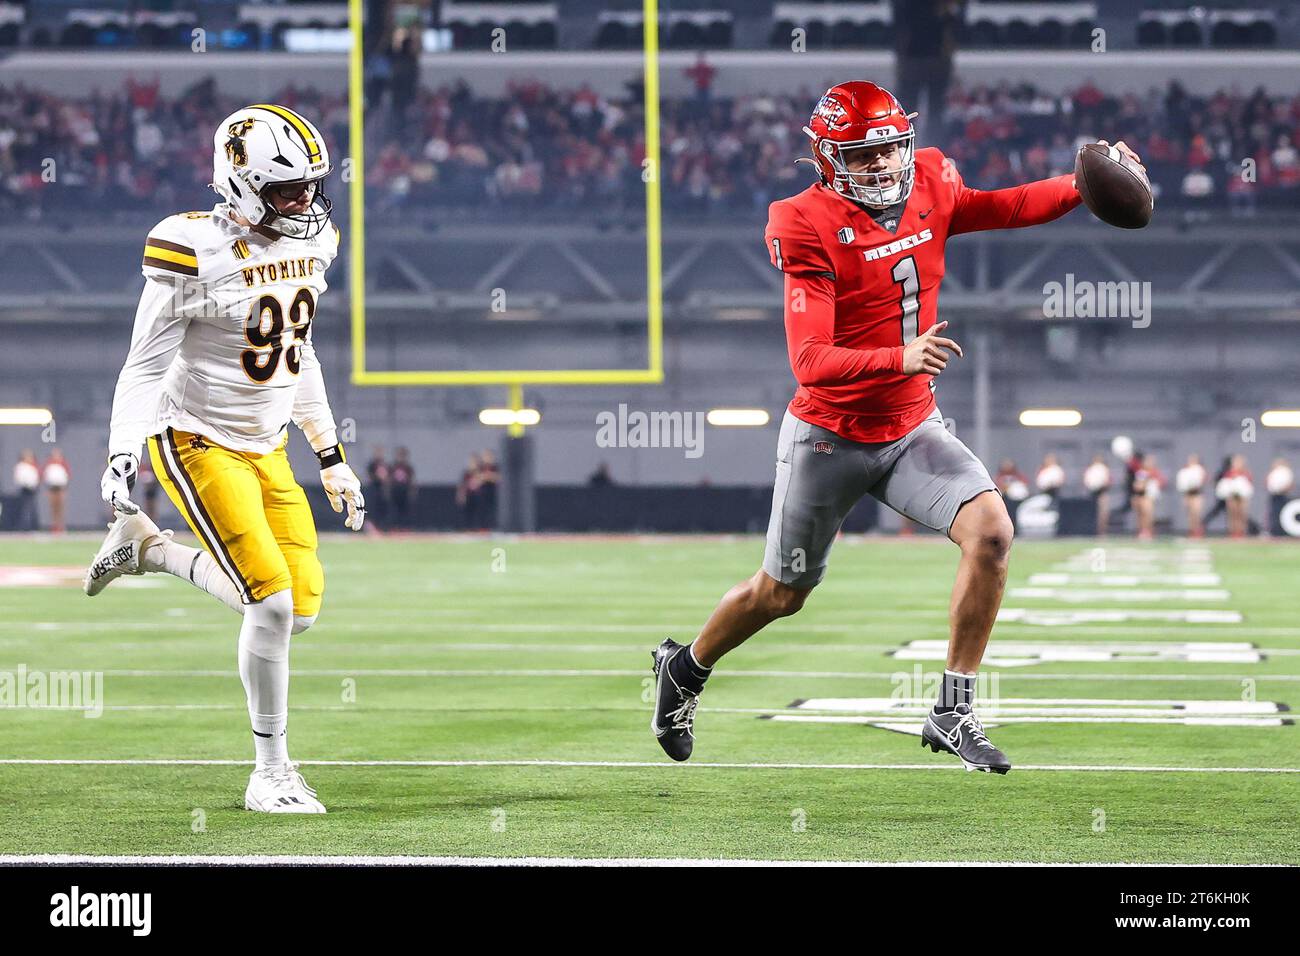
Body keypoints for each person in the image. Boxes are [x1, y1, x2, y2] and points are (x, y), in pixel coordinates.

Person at [649, 81, 1140, 775]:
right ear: (826, 157)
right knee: (781, 595)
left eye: (888, 147)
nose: (881, 165)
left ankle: (953, 708)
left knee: (993, 532)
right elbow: (810, 361)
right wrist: (899, 356)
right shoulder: (802, 220)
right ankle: (687, 669)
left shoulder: (933, 179)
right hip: (829, 437)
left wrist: (1086, 182)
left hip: (911, 426)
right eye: (862, 153)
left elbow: (1002, 207)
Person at [83, 104, 364, 813]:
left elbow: (296, 354)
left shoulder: (318, 240)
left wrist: (329, 452)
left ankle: (150, 553)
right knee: (267, 603)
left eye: (310, 186)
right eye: (287, 189)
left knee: (296, 610)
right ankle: (270, 772)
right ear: (238, 181)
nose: (305, 202)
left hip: (266, 444)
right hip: (197, 438)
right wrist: (122, 454)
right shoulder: (190, 250)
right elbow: (143, 367)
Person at [1219, 454, 1254, 539]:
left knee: (1242, 515)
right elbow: (1224, 485)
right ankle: (1233, 532)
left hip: (1242, 497)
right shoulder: (1228, 473)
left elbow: (1249, 486)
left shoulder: (1245, 473)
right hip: (1232, 497)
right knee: (1232, 514)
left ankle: (1241, 532)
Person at [1132, 453, 1164, 540]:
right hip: (1141, 496)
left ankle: (1149, 531)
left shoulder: (1155, 472)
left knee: (1149, 515)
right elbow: (1137, 486)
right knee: (1141, 515)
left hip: (1150, 496)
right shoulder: (1141, 472)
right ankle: (1142, 531)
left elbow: (1161, 483)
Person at [1175, 453, 1207, 538]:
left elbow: (1202, 481)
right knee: (1189, 514)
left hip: (1196, 494)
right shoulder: (1184, 471)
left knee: (1196, 513)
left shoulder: (1200, 470)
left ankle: (1197, 530)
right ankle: (1191, 531)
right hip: (1187, 494)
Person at [1082, 454, 1112, 536]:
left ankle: (1102, 532)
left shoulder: (1104, 469)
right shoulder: (1090, 470)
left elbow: (1108, 482)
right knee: (1092, 513)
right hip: (1092, 493)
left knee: (1103, 513)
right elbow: (1086, 481)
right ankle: (1092, 530)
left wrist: (1101, 484)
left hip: (1102, 493)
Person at [42, 448, 70, 534]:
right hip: (52, 489)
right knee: (53, 509)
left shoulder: (63, 464)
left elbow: (67, 476)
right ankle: (54, 527)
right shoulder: (49, 464)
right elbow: (45, 476)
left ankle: (61, 526)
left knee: (61, 509)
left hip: (60, 489)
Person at [12, 450, 40, 531]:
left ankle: (32, 526)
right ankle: (25, 527)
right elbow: (20, 479)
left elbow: (36, 478)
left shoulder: (32, 466)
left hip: (32, 490)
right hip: (25, 489)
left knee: (32, 508)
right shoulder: (20, 466)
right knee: (25, 508)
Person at [1266, 458, 1294, 536]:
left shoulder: (1286, 472)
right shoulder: (1273, 473)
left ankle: (1281, 530)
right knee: (1273, 513)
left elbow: (1290, 485)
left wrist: (1283, 489)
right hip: (1274, 495)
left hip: (1283, 496)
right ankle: (1274, 530)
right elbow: (1268, 483)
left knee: (1282, 513)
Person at [389, 446, 415, 528]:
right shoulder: (393, 467)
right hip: (395, 491)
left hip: (405, 492)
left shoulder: (408, 467)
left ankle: (404, 527)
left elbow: (411, 480)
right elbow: (389, 479)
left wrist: (412, 491)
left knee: (405, 511)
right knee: (394, 511)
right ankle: (394, 527)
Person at [366, 447, 391, 529]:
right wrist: (378, 477)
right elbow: (370, 477)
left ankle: (382, 526)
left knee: (383, 508)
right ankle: (372, 526)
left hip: (382, 490)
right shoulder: (372, 465)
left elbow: (388, 477)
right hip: (374, 489)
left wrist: (384, 479)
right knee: (373, 508)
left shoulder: (385, 464)